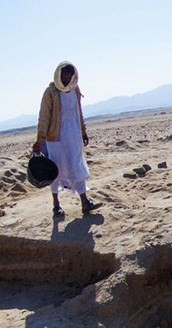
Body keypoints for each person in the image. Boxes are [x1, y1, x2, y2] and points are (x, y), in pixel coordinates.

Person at [34, 61, 102, 218]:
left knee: (76, 165)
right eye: (64, 77)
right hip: (55, 137)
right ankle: (56, 205)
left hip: (74, 135)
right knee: (55, 169)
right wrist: (40, 139)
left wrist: (83, 131)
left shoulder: (75, 89)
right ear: (58, 75)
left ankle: (85, 202)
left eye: (68, 77)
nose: (66, 80)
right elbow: (44, 117)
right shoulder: (50, 92)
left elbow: (79, 112)